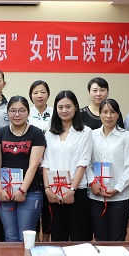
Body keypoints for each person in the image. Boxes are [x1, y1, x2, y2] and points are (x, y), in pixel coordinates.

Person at [0, 96, 46, 242]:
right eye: (13, 111)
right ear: (7, 113)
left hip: (30, 192)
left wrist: (22, 190)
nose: (17, 114)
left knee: (25, 237)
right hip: (5, 192)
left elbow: (34, 165)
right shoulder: (1, 133)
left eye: (21, 110)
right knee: (10, 236)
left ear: (28, 112)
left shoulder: (36, 134)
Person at [41, 90, 93, 241]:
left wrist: (72, 190)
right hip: (54, 192)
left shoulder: (85, 132)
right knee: (58, 239)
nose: (64, 110)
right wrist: (47, 189)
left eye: (68, 106)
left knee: (79, 239)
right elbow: (46, 163)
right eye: (60, 107)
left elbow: (83, 163)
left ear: (76, 107)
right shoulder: (50, 133)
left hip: (76, 192)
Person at [86, 98, 129, 241]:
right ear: (99, 114)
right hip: (96, 195)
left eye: (112, 112)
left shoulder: (127, 137)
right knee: (100, 237)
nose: (108, 116)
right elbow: (87, 163)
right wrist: (92, 184)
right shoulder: (91, 135)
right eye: (105, 112)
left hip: (119, 197)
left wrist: (117, 188)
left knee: (117, 238)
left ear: (118, 114)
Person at [28, 79, 52, 241]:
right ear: (31, 95)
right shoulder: (27, 113)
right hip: (33, 167)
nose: (39, 95)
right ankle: (35, 240)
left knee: (49, 207)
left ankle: (46, 240)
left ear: (48, 94)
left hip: (51, 165)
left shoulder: (55, 113)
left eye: (43, 92)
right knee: (33, 206)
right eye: (35, 92)